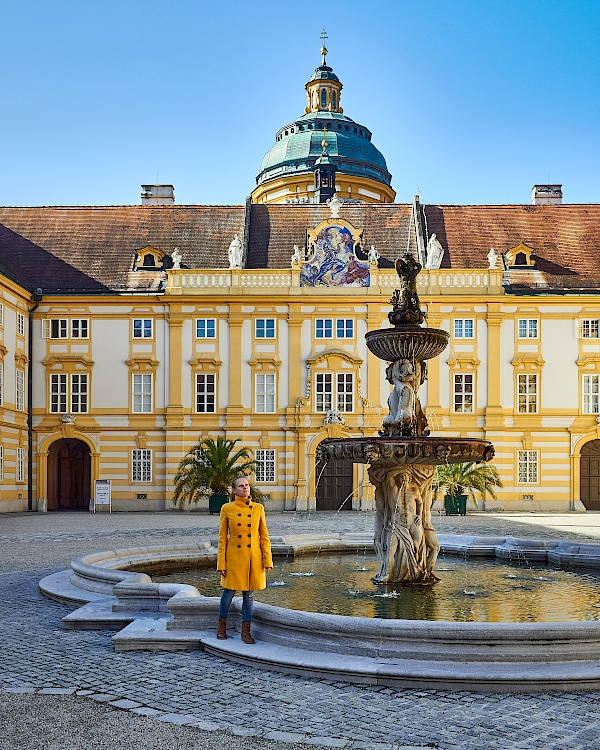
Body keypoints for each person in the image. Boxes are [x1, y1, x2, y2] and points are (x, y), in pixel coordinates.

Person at [216, 476, 273, 644]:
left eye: (247, 485)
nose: (245, 488)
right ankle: (221, 626)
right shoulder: (227, 508)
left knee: (249, 595)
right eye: (241, 486)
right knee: (229, 592)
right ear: (234, 490)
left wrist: (267, 559)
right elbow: (222, 539)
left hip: (253, 558)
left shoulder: (258, 508)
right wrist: (221, 563)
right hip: (235, 557)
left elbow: (264, 536)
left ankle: (245, 632)